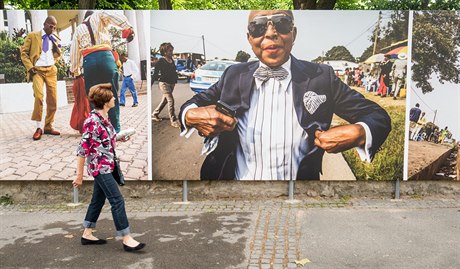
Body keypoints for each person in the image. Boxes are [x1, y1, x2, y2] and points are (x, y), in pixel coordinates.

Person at [179, 10, 391, 180]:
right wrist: (190, 115)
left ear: (294, 34)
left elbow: (377, 116)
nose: (270, 33)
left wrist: (360, 132)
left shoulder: (321, 77)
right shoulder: (234, 74)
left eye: (281, 23)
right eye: (258, 26)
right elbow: (193, 104)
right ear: (249, 38)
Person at [72, 83, 145, 252]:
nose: (114, 98)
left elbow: (104, 140)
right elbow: (82, 150)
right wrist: (79, 175)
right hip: (100, 168)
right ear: (105, 102)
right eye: (112, 97)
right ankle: (126, 238)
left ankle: (87, 233)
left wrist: (119, 137)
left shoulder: (104, 119)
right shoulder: (91, 122)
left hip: (108, 165)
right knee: (117, 200)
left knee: (97, 200)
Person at [70, 10, 135, 133]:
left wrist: (76, 71)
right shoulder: (99, 15)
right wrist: (127, 27)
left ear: (84, 18)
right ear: (92, 14)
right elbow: (113, 16)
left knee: (93, 97)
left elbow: (74, 51)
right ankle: (116, 130)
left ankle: (97, 131)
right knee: (112, 94)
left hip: (89, 62)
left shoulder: (78, 29)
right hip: (106, 58)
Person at [20, 16, 61, 140]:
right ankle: (39, 127)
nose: (52, 28)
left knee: (53, 100)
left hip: (51, 70)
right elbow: (24, 53)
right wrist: (30, 67)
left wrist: (55, 60)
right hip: (37, 70)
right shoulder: (33, 35)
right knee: (39, 97)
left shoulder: (55, 37)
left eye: (54, 27)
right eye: (51, 26)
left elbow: (59, 52)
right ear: (45, 24)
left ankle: (48, 126)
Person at [151, 42, 180, 128]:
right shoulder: (161, 61)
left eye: (172, 50)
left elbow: (173, 72)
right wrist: (150, 84)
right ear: (165, 51)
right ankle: (173, 120)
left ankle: (155, 113)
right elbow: (155, 74)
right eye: (170, 51)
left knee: (165, 100)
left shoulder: (172, 60)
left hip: (172, 83)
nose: (171, 52)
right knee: (171, 100)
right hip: (164, 83)